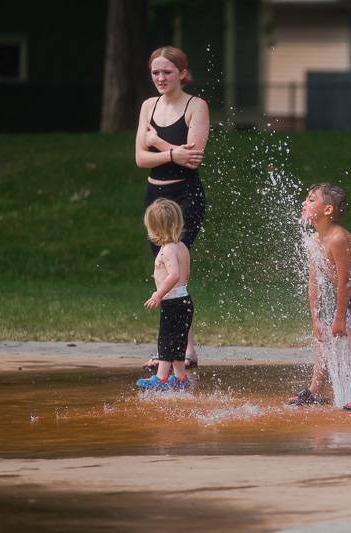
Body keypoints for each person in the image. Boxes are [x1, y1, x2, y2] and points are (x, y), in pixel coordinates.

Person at [135, 45, 209, 372]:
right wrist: (170, 154)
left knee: (174, 267)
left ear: (182, 72)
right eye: (155, 72)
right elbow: (140, 158)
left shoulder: (197, 106)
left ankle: (176, 352)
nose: (161, 78)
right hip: (155, 196)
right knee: (164, 272)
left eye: (167, 72)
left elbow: (192, 160)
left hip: (185, 197)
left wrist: (161, 144)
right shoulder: (148, 106)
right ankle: (181, 352)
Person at [288, 184, 351, 411]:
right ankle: (314, 391)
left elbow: (345, 281)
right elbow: (313, 282)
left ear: (328, 210)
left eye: (312, 200)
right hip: (349, 294)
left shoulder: (337, 238)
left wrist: (339, 318)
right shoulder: (314, 240)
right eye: (307, 198)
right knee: (325, 337)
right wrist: (316, 319)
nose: (305, 202)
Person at [135, 199, 194, 390]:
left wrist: (158, 294)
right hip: (184, 299)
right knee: (178, 340)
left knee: (167, 339)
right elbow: (185, 273)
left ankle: (160, 378)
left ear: (156, 228)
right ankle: (180, 377)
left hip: (173, 302)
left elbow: (174, 275)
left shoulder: (168, 250)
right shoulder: (182, 246)